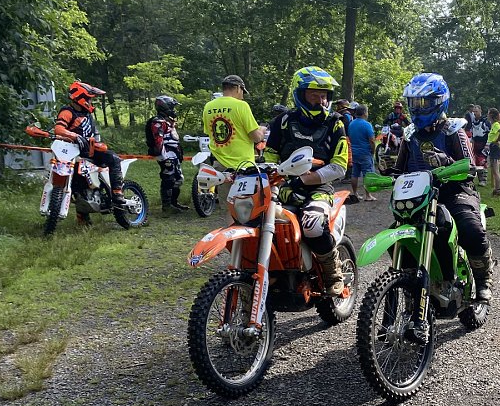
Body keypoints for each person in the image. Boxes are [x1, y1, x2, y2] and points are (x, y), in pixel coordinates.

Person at [393, 72, 494, 303]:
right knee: (398, 231)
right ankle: (409, 283)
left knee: (471, 229)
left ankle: (482, 278)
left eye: (424, 102)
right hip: (419, 196)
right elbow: (399, 169)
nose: (417, 108)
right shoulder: (409, 134)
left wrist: (446, 161)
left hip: (455, 191)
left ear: (439, 102)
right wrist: (388, 173)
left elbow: (468, 166)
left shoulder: (453, 130)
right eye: (414, 103)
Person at [263, 66, 349, 295]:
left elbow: (339, 166)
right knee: (260, 220)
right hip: (283, 186)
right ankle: (269, 271)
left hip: (319, 187)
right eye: (314, 95)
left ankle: (333, 272)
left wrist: (305, 180)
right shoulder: (282, 121)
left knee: (312, 224)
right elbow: (270, 153)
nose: (320, 100)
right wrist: (272, 174)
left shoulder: (335, 123)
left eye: (324, 95)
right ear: (300, 94)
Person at [54, 81, 126, 221]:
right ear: (80, 97)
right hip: (72, 151)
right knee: (76, 183)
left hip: (91, 150)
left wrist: (98, 143)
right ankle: (82, 216)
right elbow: (59, 129)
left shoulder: (87, 114)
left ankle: (117, 193)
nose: (90, 101)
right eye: (88, 98)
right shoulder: (68, 112)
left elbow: (94, 133)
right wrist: (74, 136)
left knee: (113, 158)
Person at [202, 75, 266, 213]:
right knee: (248, 209)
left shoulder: (208, 106)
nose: (242, 96)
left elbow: (210, 133)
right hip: (244, 167)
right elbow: (256, 137)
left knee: (230, 209)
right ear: (238, 88)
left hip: (220, 166)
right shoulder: (241, 106)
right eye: (243, 92)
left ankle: (233, 233)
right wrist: (262, 129)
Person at [146, 95, 188, 214]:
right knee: (168, 178)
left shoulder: (168, 121)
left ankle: (173, 203)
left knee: (178, 179)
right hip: (165, 155)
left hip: (173, 154)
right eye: (172, 107)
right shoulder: (158, 122)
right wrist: (163, 157)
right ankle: (166, 206)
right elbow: (158, 140)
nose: (173, 110)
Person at [348, 103, 377, 202]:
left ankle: (355, 193)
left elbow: (350, 138)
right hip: (365, 152)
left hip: (354, 152)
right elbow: (372, 140)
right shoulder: (367, 125)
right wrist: (373, 151)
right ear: (365, 113)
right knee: (367, 174)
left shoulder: (351, 124)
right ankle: (368, 195)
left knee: (354, 174)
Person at [470, 105, 490, 186]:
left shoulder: (485, 121)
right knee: (475, 162)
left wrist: (487, 145)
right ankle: (477, 179)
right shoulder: (473, 121)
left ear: (480, 111)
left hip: (483, 144)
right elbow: (473, 132)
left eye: (476, 111)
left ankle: (483, 180)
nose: (474, 113)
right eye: (473, 111)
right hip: (475, 144)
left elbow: (489, 133)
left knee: (482, 161)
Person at [486, 108, 500, 196]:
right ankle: (495, 188)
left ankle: (498, 190)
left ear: (492, 115)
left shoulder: (496, 124)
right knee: (493, 169)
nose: (487, 115)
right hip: (492, 148)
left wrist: (496, 140)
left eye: (488, 114)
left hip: (495, 148)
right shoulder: (492, 125)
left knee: (496, 171)